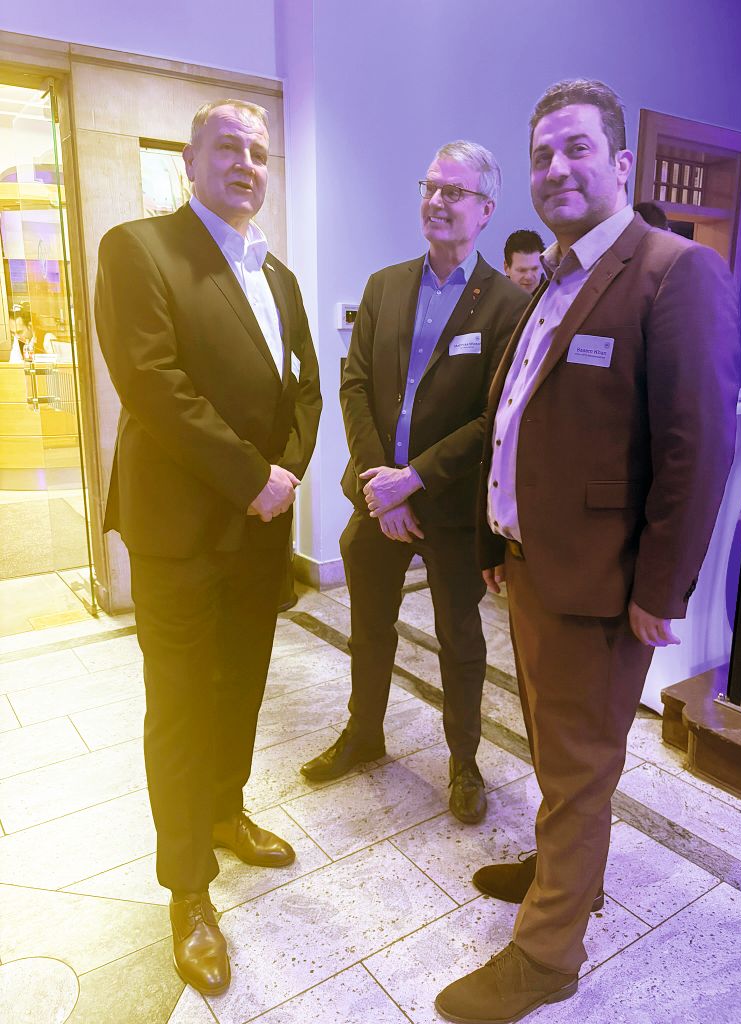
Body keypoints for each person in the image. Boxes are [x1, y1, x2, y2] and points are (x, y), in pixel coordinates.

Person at [436, 78, 738, 1023]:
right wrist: (496, 535)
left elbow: (696, 447)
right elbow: (517, 417)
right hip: (534, 569)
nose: (556, 168)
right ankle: (566, 870)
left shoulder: (674, 271)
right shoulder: (556, 277)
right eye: (541, 155)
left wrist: (661, 589)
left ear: (621, 163)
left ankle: (548, 954)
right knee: (556, 754)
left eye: (576, 148)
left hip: (603, 587)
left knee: (578, 768)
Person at [95, 99, 321, 996]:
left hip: (259, 528)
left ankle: (226, 812)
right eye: (227, 146)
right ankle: (188, 887)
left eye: (259, 152)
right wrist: (250, 476)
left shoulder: (281, 277)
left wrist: (287, 473)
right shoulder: (139, 249)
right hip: (181, 532)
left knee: (242, 684)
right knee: (182, 704)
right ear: (188, 162)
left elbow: (306, 388)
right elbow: (152, 383)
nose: (246, 164)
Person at [300, 141, 529, 823]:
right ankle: (364, 733)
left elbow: (495, 418)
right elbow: (355, 385)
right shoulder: (385, 286)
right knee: (369, 627)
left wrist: (415, 481)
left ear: (485, 209)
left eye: (454, 191)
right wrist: (382, 487)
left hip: (451, 509)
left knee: (460, 640)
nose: (436, 200)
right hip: (379, 502)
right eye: (430, 186)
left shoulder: (507, 305)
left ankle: (464, 763)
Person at [503, 229, 545, 293]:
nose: (529, 277)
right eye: (522, 270)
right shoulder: (492, 296)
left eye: (534, 269)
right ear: (506, 268)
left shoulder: (558, 296)